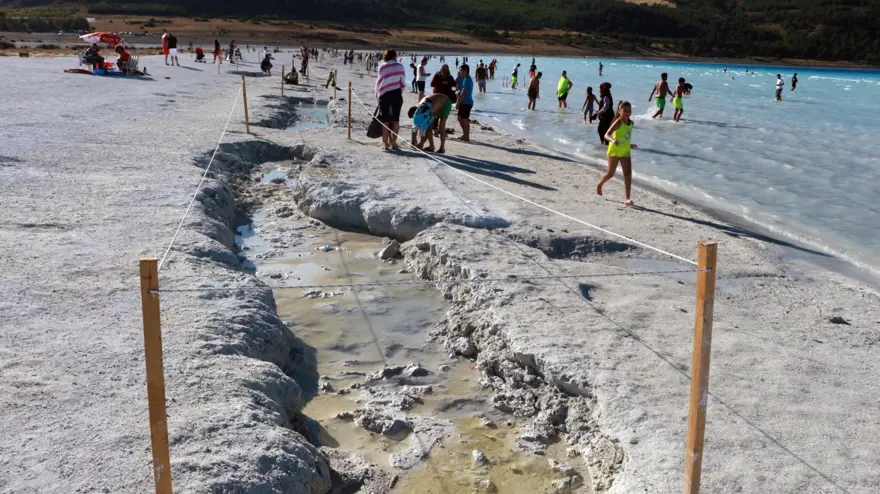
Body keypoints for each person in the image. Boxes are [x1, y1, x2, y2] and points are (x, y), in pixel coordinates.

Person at [597, 101, 637, 206]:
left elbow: (625, 138)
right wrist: (613, 140)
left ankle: (627, 198)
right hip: (614, 151)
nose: (627, 113)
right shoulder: (618, 122)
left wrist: (630, 145)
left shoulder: (631, 123)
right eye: (625, 110)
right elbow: (606, 135)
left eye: (629, 111)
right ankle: (600, 184)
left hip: (625, 151)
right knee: (610, 174)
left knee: (628, 175)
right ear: (619, 111)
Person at [375, 49, 406, 151]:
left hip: (384, 94)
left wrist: (377, 95)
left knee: (385, 120)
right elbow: (402, 82)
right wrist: (399, 92)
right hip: (396, 94)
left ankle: (385, 144)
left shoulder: (382, 66)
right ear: (394, 56)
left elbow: (378, 83)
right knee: (396, 119)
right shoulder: (400, 66)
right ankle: (394, 143)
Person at [430, 64, 457, 151]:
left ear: (448, 70)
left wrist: (448, 83)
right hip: (437, 98)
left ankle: (441, 147)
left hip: (446, 100)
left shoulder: (450, 77)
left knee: (442, 121)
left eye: (445, 70)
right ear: (440, 70)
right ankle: (434, 131)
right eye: (443, 69)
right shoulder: (437, 76)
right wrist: (441, 83)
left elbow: (454, 84)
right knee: (433, 117)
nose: (444, 71)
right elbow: (432, 84)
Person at [457, 64, 474, 142]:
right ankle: (465, 134)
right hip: (464, 102)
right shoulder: (465, 78)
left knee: (465, 120)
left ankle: (466, 136)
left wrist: (458, 103)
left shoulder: (467, 79)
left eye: (460, 70)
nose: (459, 71)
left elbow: (464, 93)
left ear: (465, 71)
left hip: (466, 102)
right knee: (460, 118)